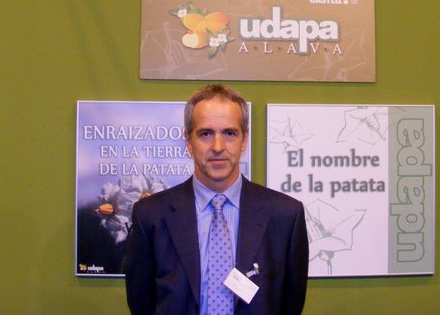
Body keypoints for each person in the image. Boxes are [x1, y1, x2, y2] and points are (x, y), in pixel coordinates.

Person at [124, 84, 309, 315]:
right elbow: (141, 302)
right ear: (188, 141)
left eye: (229, 133)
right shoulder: (150, 215)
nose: (218, 147)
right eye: (206, 133)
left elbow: (291, 304)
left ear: (244, 140)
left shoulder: (285, 216)